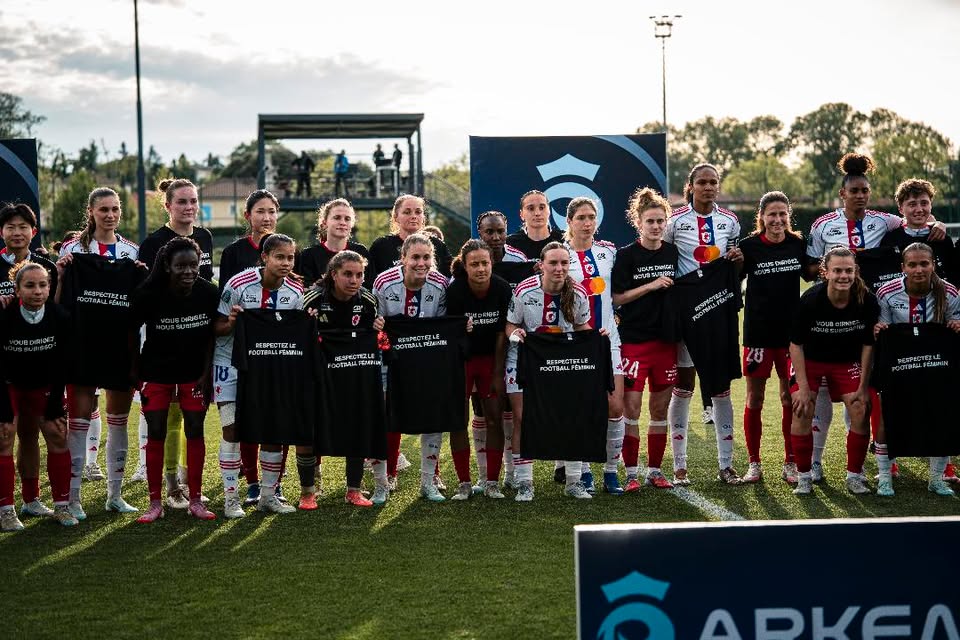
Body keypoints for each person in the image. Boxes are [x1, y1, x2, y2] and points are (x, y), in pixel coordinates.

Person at [804, 154, 946, 482]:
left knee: (863, 386)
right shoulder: (823, 225)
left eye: (865, 190)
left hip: (869, 313)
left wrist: (936, 223)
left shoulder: (884, 221)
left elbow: (916, 222)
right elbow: (809, 267)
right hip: (831, 313)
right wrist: (833, 271)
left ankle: (873, 451)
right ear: (843, 194)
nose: (860, 195)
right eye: (854, 191)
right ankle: (815, 461)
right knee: (825, 389)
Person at [56, 186, 144, 519]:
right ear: (91, 212)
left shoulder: (130, 251)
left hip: (119, 345)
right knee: (78, 420)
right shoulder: (74, 248)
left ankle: (115, 495)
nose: (110, 215)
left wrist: (141, 276)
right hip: (82, 344)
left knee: (118, 420)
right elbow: (60, 296)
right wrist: (63, 272)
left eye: (115, 209)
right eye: (103, 209)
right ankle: (74, 497)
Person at [128, 178, 214, 508]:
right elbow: (147, 292)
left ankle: (187, 487)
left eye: (193, 201)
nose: (189, 207)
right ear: (168, 206)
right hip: (163, 339)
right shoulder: (154, 243)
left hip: (195, 339)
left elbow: (203, 286)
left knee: (189, 420)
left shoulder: (203, 237)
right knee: (167, 420)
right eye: (182, 202)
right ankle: (170, 484)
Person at [663, 163, 744, 485]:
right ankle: (680, 466)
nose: (708, 187)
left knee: (720, 388)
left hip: (719, 311)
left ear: (718, 187)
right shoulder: (674, 222)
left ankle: (726, 465)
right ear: (691, 186)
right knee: (684, 386)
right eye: (702, 182)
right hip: (687, 312)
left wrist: (738, 262)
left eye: (713, 182)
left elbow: (735, 267)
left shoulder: (731, 221)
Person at [216, 234, 303, 518]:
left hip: (269, 368)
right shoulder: (238, 284)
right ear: (264, 258)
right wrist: (230, 322)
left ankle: (268, 496)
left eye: (290, 257)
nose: (286, 263)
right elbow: (215, 326)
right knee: (232, 429)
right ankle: (231, 499)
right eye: (280, 257)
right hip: (229, 363)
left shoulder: (294, 293)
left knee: (272, 429)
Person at [504, 242, 593, 501]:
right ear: (541, 265)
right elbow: (509, 324)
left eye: (564, 263)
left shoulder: (578, 292)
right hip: (524, 360)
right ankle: (524, 483)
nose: (559, 268)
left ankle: (574, 482)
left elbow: (581, 325)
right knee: (523, 418)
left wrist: (596, 337)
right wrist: (516, 333)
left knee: (570, 416)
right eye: (553, 263)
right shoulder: (524, 290)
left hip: (561, 362)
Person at [789, 247, 878, 495]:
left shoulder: (866, 300)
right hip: (811, 360)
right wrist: (804, 388)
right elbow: (795, 345)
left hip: (846, 361)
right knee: (802, 407)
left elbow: (868, 345)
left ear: (856, 272)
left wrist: (862, 387)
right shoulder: (810, 300)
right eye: (837, 270)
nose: (843, 276)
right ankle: (804, 477)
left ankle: (854, 476)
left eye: (848, 270)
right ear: (825, 272)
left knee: (861, 408)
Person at [873, 242, 960, 496]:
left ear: (933, 265)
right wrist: (880, 329)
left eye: (924, 263)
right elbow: (884, 331)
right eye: (912, 264)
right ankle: (885, 478)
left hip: (937, 364)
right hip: (900, 363)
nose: (919, 269)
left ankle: (936, 479)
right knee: (888, 416)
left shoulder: (951, 293)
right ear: (903, 268)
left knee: (941, 416)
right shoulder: (887, 292)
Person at [738, 192, 810, 484]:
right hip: (757, 332)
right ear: (762, 216)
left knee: (788, 397)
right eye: (772, 214)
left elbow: (815, 273)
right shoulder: (748, 246)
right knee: (754, 397)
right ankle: (754, 463)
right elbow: (731, 278)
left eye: (783, 214)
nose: (778, 220)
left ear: (788, 216)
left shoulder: (798, 244)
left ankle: (790, 462)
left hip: (790, 336)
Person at [302, 250, 385, 507]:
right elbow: (297, 334)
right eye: (347, 274)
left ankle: (354, 490)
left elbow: (380, 338)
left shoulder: (369, 301)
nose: (354, 280)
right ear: (333, 274)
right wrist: (305, 325)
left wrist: (379, 329)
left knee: (357, 425)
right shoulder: (313, 299)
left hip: (354, 375)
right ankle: (307, 492)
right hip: (317, 375)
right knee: (309, 430)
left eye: (359, 275)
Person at [214, 189, 280, 505]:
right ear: (248, 216)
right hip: (239, 348)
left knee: (273, 418)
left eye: (271, 211)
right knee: (243, 419)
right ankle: (252, 481)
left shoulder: (284, 248)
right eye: (260, 211)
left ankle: (273, 486)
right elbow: (226, 302)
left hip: (274, 349)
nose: (266, 217)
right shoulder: (234, 252)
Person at [373, 233, 449, 501]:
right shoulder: (383, 282)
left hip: (426, 363)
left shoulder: (441, 284)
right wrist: (381, 334)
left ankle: (429, 481)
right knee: (387, 415)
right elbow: (376, 325)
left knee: (432, 416)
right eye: (415, 257)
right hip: (389, 360)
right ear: (403, 258)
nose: (421, 263)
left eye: (426, 257)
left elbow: (442, 328)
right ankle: (384, 481)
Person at [612, 188, 679, 491]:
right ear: (638, 223)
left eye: (660, 221)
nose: (656, 226)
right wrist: (651, 286)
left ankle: (654, 470)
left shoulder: (672, 252)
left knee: (659, 410)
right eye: (650, 221)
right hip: (635, 341)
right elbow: (618, 297)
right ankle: (631, 474)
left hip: (666, 342)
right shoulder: (626, 255)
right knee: (632, 409)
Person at [0, 262, 74, 527]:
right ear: (17, 289)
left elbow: (63, 363)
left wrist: (55, 402)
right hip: (10, 385)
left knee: (57, 433)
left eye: (43, 285)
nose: (38, 291)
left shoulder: (60, 316)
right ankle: (6, 510)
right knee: (5, 434)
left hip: (44, 385)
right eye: (30, 285)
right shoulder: (5, 314)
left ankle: (60, 506)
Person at [563, 197, 625, 495]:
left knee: (615, 406)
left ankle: (612, 473)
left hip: (609, 339)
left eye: (591, 217)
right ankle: (584, 470)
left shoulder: (609, 251)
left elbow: (619, 291)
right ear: (569, 222)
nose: (587, 223)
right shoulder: (560, 255)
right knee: (582, 408)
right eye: (581, 218)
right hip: (575, 342)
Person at [446, 239, 512, 499]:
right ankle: (464, 482)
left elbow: (501, 334)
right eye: (474, 264)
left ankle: (492, 483)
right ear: (465, 265)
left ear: (492, 262)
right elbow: (452, 333)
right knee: (457, 420)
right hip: (462, 359)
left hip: (491, 358)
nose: (481, 268)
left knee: (494, 417)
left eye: (485, 263)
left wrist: (497, 373)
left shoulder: (502, 288)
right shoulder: (455, 291)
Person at [368, 194, 452, 282]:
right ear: (396, 217)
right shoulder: (381, 246)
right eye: (407, 212)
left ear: (423, 217)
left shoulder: (436, 244)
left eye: (418, 212)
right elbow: (370, 282)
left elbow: (450, 278)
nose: (413, 216)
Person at [297, 198, 370, 288]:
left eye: (347, 219)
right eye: (337, 218)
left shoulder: (361, 252)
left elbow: (369, 286)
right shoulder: (308, 255)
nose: (343, 222)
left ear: (352, 224)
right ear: (324, 223)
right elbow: (306, 289)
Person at [0, 203, 58, 298]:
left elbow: (53, 305)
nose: (17, 233)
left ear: (34, 232)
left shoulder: (47, 267)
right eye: (10, 228)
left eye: (23, 227)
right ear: (1, 233)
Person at [505, 190, 564, 262]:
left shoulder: (564, 239)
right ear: (521, 214)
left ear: (549, 211)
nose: (537, 213)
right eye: (531, 208)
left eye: (542, 208)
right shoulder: (510, 243)